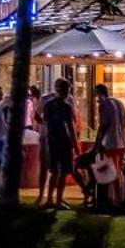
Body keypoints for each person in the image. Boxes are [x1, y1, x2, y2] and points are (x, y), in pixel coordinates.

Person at [39, 78, 79, 209]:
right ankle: (58, 200)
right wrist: (75, 144)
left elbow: (45, 121)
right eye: (67, 90)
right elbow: (70, 127)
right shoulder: (66, 107)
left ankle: (50, 199)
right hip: (63, 140)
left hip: (51, 140)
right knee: (63, 171)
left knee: (54, 171)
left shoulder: (48, 105)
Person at [92, 83, 125, 211]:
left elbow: (103, 126)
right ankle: (117, 199)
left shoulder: (104, 105)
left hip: (110, 143)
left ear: (99, 93)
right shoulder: (119, 103)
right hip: (122, 142)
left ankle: (114, 201)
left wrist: (97, 144)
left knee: (110, 172)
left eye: (96, 94)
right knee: (118, 171)